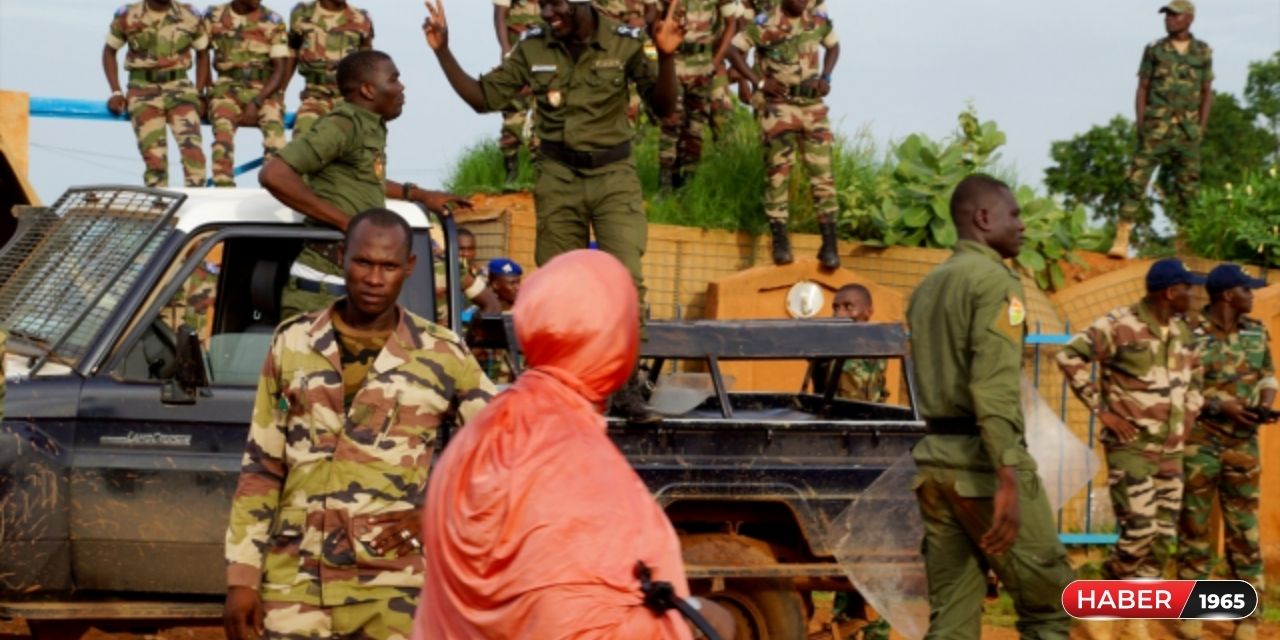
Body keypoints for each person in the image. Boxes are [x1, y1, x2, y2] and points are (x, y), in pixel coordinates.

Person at [416, 249, 733, 639]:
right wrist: (703, 619)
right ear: (612, 340)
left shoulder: (483, 431)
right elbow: (577, 623)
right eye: (629, 323)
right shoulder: (577, 463)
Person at [222, 208, 495, 640]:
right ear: (342, 257)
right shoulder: (293, 341)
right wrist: (242, 576)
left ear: (409, 268)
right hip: (295, 584)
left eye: (388, 266)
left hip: (392, 587)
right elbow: (262, 465)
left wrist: (439, 512)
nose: (373, 278)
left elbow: (504, 446)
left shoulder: (442, 354)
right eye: (363, 262)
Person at [423, 0, 681, 306]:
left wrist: (667, 58)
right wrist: (443, 52)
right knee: (559, 285)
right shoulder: (533, 45)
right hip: (558, 177)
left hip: (613, 178)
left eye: (555, 4)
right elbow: (484, 98)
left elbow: (663, 107)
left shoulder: (625, 41)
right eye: (542, 5)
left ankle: (624, 354)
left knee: (623, 283)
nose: (547, 14)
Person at [907, 175, 1074, 639]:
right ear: (983, 218)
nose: (1022, 225)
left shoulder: (929, 285)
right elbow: (993, 386)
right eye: (1015, 214)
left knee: (953, 619)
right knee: (1050, 607)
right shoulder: (996, 283)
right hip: (982, 465)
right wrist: (1007, 473)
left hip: (935, 463)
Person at [1056, 257, 1204, 640]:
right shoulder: (1119, 324)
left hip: (1171, 451)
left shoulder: (1185, 331)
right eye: (1188, 287)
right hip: (1131, 447)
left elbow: (1196, 377)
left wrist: (1190, 413)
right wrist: (1101, 411)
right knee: (1139, 530)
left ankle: (1136, 618)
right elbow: (1069, 356)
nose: (1194, 294)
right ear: (1170, 292)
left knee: (1160, 538)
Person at [258, 49, 466, 319]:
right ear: (368, 90)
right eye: (393, 80)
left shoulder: (368, 126)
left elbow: (366, 179)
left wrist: (420, 194)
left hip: (346, 285)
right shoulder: (343, 125)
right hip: (321, 286)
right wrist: (346, 223)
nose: (401, 87)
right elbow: (274, 174)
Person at [1177, 264, 1274, 640]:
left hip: (1243, 443)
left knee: (1243, 531)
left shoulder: (1256, 332)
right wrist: (1219, 406)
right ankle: (1193, 613)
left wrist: (1265, 403)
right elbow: (1179, 386)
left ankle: (1246, 617)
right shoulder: (1189, 334)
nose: (1252, 295)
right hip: (1200, 442)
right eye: (1246, 290)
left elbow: (1268, 375)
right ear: (1227, 295)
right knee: (1195, 527)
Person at [725, 0, 840, 269]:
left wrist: (827, 76)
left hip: (813, 108)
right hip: (779, 110)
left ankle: (830, 245)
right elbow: (733, 50)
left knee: (823, 176)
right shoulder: (765, 24)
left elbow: (834, 45)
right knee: (778, 175)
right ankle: (780, 242)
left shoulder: (817, 21)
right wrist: (759, 82)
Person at [1109, 0, 1213, 258]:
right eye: (1167, 16)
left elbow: (1206, 92)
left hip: (1186, 132)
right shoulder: (1155, 49)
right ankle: (1122, 239)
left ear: (1189, 19)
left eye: (1175, 16)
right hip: (1156, 127)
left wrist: (1201, 127)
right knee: (1136, 180)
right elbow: (1142, 87)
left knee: (1188, 189)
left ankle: (1187, 244)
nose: (1169, 19)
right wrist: (1142, 124)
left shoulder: (1202, 52)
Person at [103, 0, 209, 188]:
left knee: (194, 154)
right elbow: (109, 52)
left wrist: (199, 92)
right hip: (143, 90)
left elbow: (203, 53)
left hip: (180, 89)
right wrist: (116, 91)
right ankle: (161, 208)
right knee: (155, 160)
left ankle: (196, 204)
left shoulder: (189, 15)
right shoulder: (128, 14)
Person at [199, 0, 291, 187]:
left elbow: (280, 69)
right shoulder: (214, 16)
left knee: (276, 139)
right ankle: (224, 189)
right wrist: (202, 94)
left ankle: (273, 189)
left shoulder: (272, 20)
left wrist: (257, 102)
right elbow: (202, 54)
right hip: (226, 89)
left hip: (264, 90)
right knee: (222, 136)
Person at [656, 0, 737, 191]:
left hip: (703, 63)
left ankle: (687, 184)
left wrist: (715, 63)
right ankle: (665, 181)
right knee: (670, 121)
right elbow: (655, 17)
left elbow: (731, 23)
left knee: (695, 125)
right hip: (674, 59)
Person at [287, 0, 375, 136]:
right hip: (315, 97)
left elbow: (367, 64)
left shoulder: (361, 19)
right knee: (302, 140)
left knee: (360, 146)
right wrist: (279, 95)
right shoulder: (302, 14)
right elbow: (291, 54)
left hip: (349, 99)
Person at [808, 284, 887, 403]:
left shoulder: (878, 349)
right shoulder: (828, 346)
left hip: (870, 418)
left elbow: (879, 390)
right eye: (835, 308)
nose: (839, 314)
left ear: (868, 312)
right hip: (836, 419)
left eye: (848, 307)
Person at [493, 0, 541, 184]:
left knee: (547, 115)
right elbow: (499, 13)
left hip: (547, 54)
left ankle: (540, 173)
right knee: (514, 113)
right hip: (518, 54)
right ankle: (511, 171)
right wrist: (505, 50)